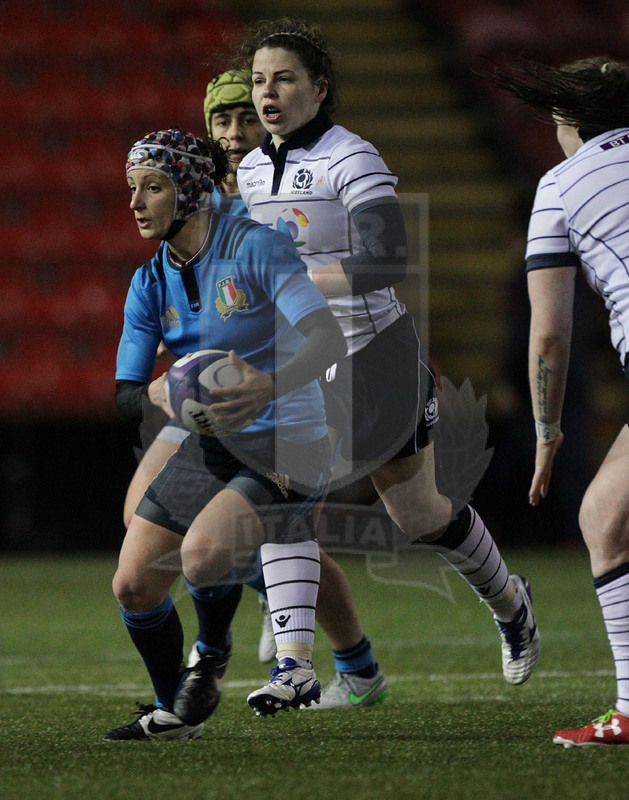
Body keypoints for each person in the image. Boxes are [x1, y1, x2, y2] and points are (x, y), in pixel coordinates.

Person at [236, 18, 541, 708]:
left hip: (373, 354)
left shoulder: (352, 158)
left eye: (284, 78)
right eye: (259, 79)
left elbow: (386, 261)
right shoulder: (252, 169)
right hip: (304, 361)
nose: (268, 92)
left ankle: (509, 603)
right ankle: (294, 668)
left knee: (419, 516)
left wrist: (299, 282)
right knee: (283, 496)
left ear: (319, 87)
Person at [105, 127, 346, 739]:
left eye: (152, 188)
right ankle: (175, 713)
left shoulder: (258, 249)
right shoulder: (148, 282)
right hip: (212, 441)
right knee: (132, 585)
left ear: (187, 192)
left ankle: (209, 657)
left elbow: (326, 339)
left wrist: (268, 384)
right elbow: (126, 391)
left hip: (289, 438)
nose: (135, 203)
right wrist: (159, 391)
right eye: (132, 188)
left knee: (204, 554)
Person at [121, 70, 277, 665]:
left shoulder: (280, 198)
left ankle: (345, 658)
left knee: (408, 515)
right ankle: (265, 601)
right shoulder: (196, 192)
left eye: (247, 117)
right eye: (222, 120)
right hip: (209, 394)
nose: (235, 132)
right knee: (141, 511)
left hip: (284, 393)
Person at [494, 56, 629, 747]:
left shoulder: (560, 186)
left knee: (604, 518)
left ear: (569, 119)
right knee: (607, 515)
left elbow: (547, 333)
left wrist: (545, 429)